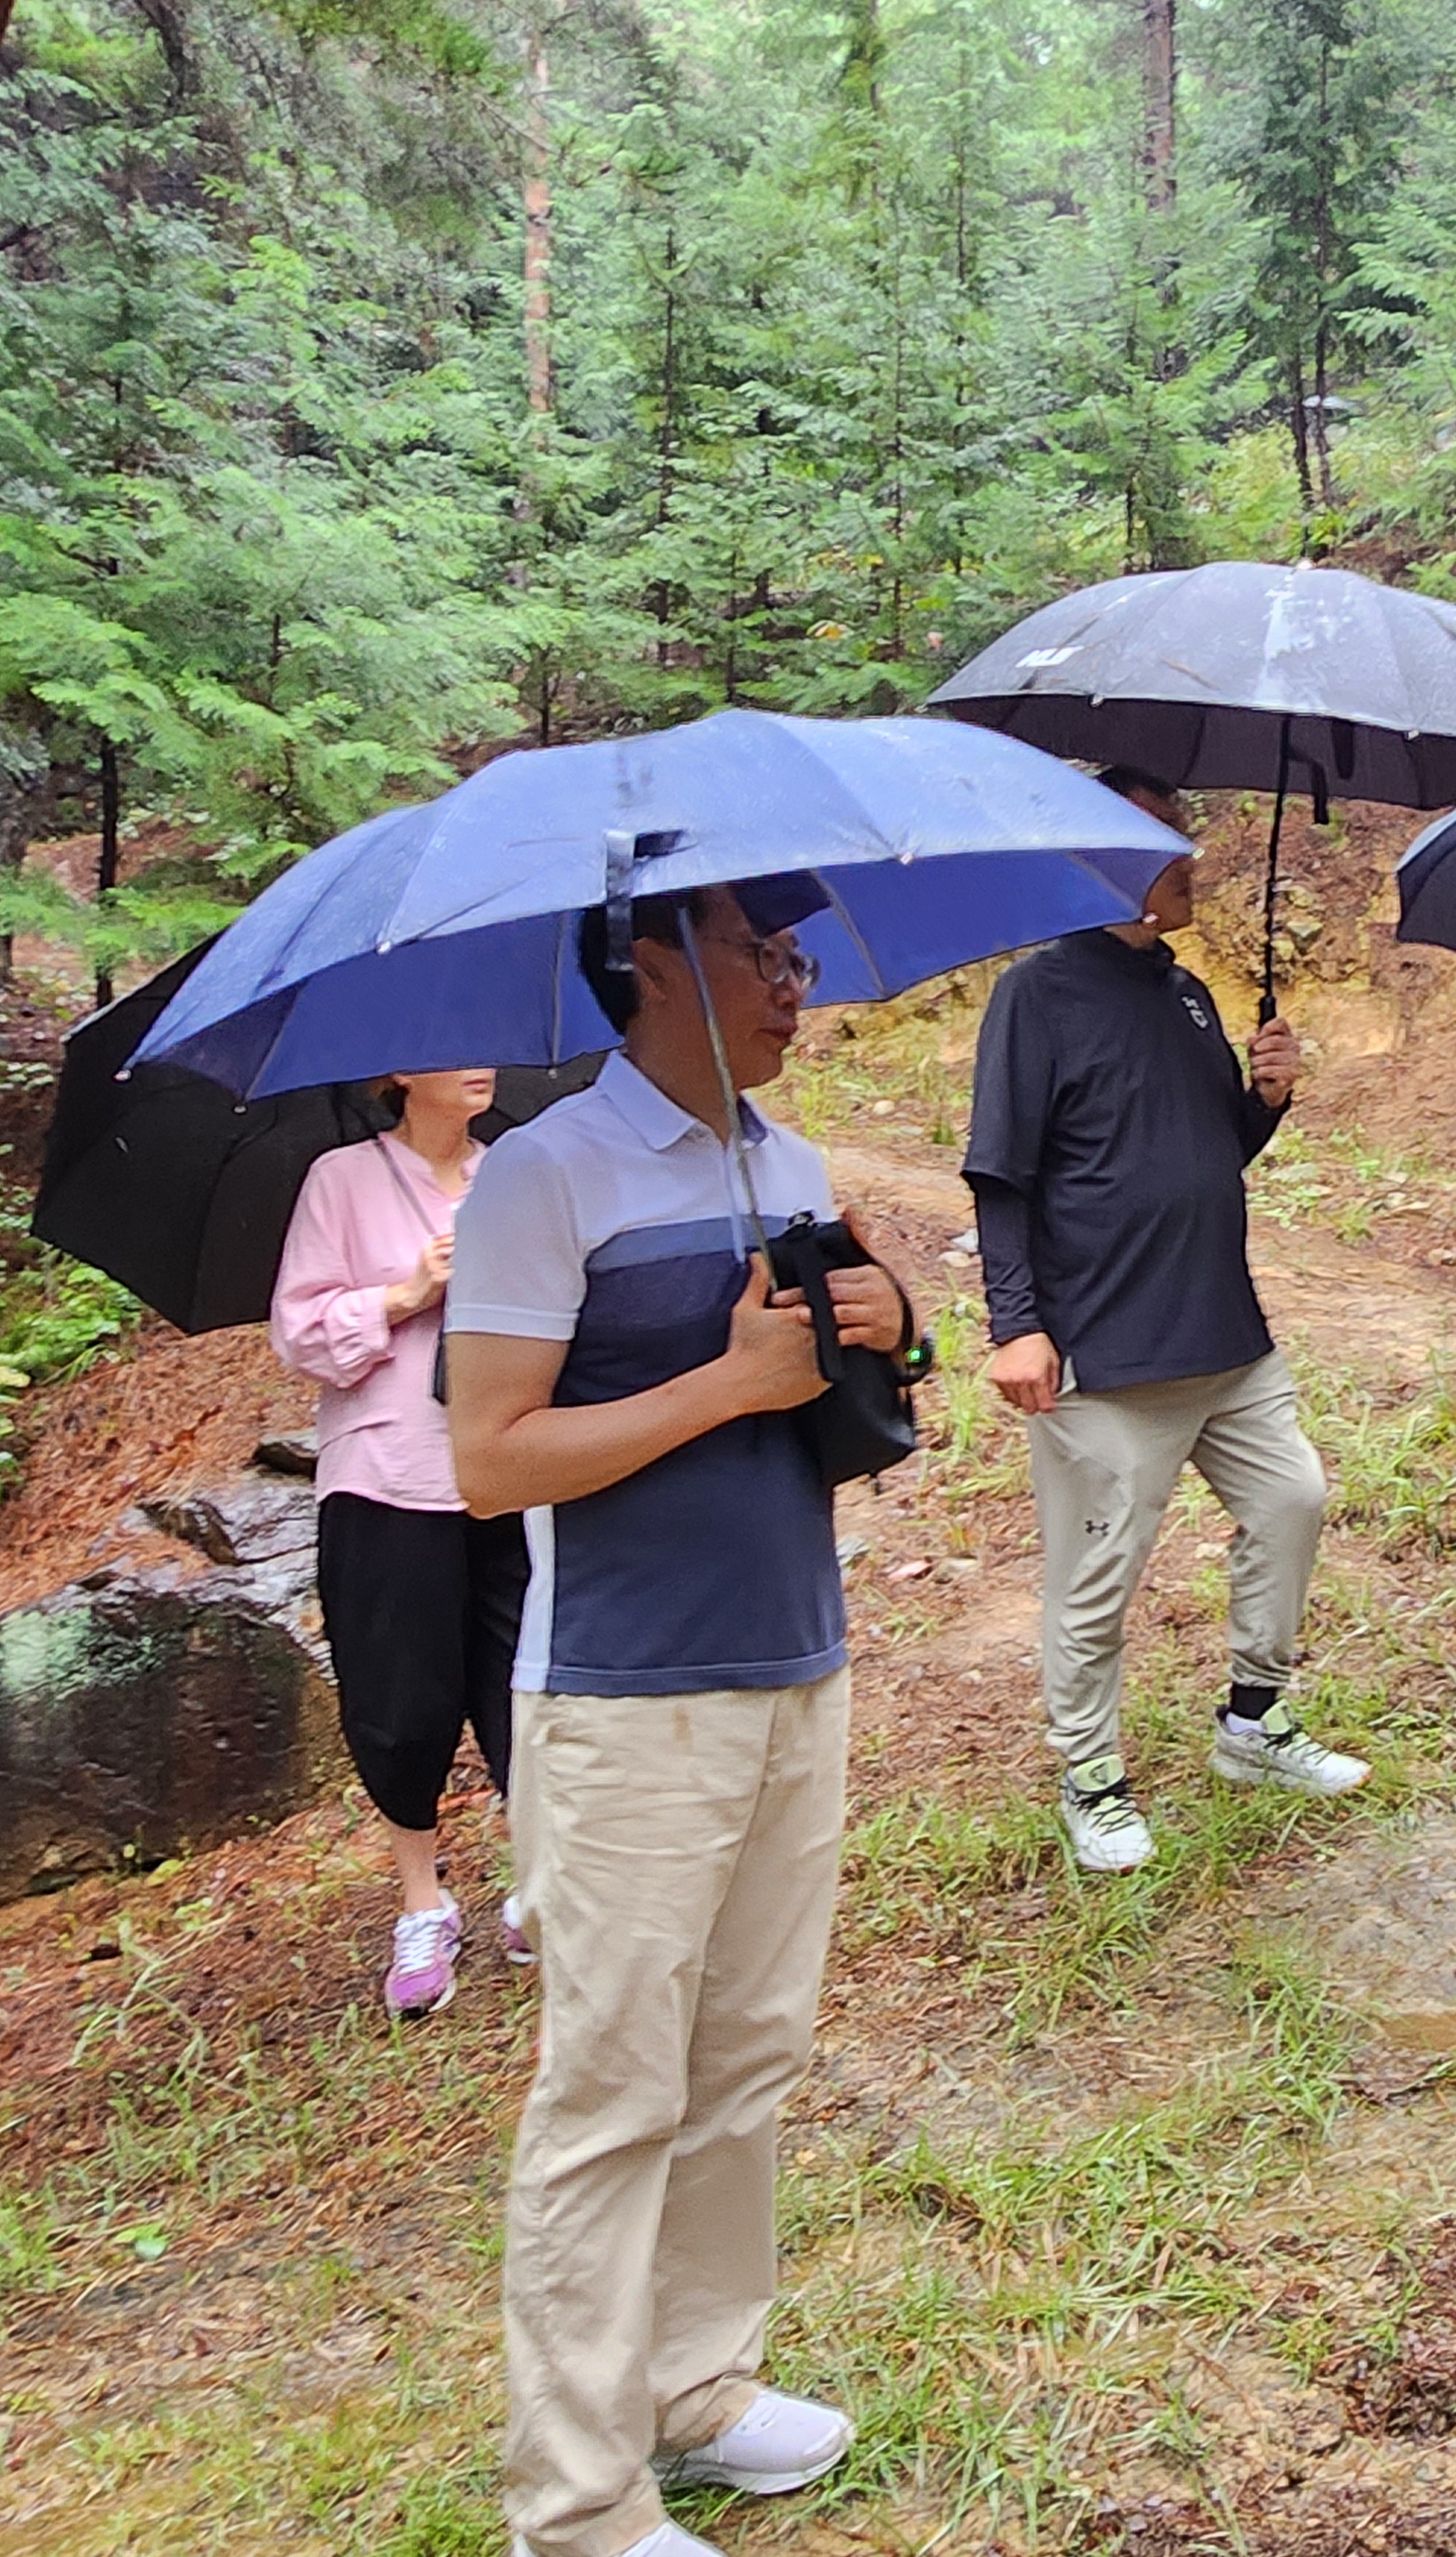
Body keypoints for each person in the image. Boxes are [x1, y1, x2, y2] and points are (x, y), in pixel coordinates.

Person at [447, 875, 916, 2557]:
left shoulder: (780, 1162)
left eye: (800, 955)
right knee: (614, 2092)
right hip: (624, 1699)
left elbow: (831, 1399)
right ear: (649, 970)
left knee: (746, 2060)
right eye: (759, 954)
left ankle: (700, 2390)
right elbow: (489, 1462)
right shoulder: (542, 1172)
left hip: (798, 1657)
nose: (797, 983)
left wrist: (889, 1323)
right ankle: (573, 2507)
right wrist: (727, 1381)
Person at [966, 772, 1361, 1877]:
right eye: (1168, 840)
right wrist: (1017, 1326)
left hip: (1225, 1335)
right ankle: (1090, 1774)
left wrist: (1265, 1101)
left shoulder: (1187, 992)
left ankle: (1253, 1722)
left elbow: (1206, 1150)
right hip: (1101, 1349)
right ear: (1101, 857)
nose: (1194, 857)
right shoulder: (1035, 996)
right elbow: (1002, 1177)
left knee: (1293, 1501)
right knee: (1098, 1578)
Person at [270, 1067, 530, 2016]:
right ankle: (422, 1901)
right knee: (401, 1700)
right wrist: (404, 1291)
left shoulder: (518, 1172)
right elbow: (297, 1331)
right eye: (448, 1044)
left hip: (508, 1465)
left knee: (527, 1680)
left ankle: (535, 1878)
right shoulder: (341, 1180)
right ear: (396, 1074)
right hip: (386, 1476)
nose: (479, 1060)